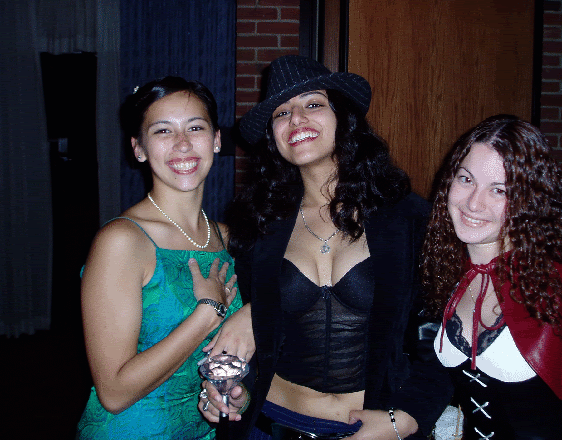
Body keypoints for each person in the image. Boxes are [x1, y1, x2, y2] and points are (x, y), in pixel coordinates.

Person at [198, 55, 452, 440]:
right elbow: (256, 346)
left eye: (313, 104)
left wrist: (409, 418)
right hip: (269, 425)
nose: (296, 119)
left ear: (343, 117)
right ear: (272, 135)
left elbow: (446, 334)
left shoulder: (407, 218)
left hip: (371, 431)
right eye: (282, 113)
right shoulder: (258, 225)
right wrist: (232, 393)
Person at [420, 114, 562, 439]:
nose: (473, 203)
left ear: (529, 201)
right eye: (466, 179)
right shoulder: (447, 273)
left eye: (499, 190)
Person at [76, 77, 243, 439]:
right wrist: (207, 313)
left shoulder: (228, 238)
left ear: (216, 140)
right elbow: (114, 393)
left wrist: (228, 393)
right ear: (138, 148)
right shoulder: (122, 241)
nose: (183, 143)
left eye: (195, 127)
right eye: (163, 130)